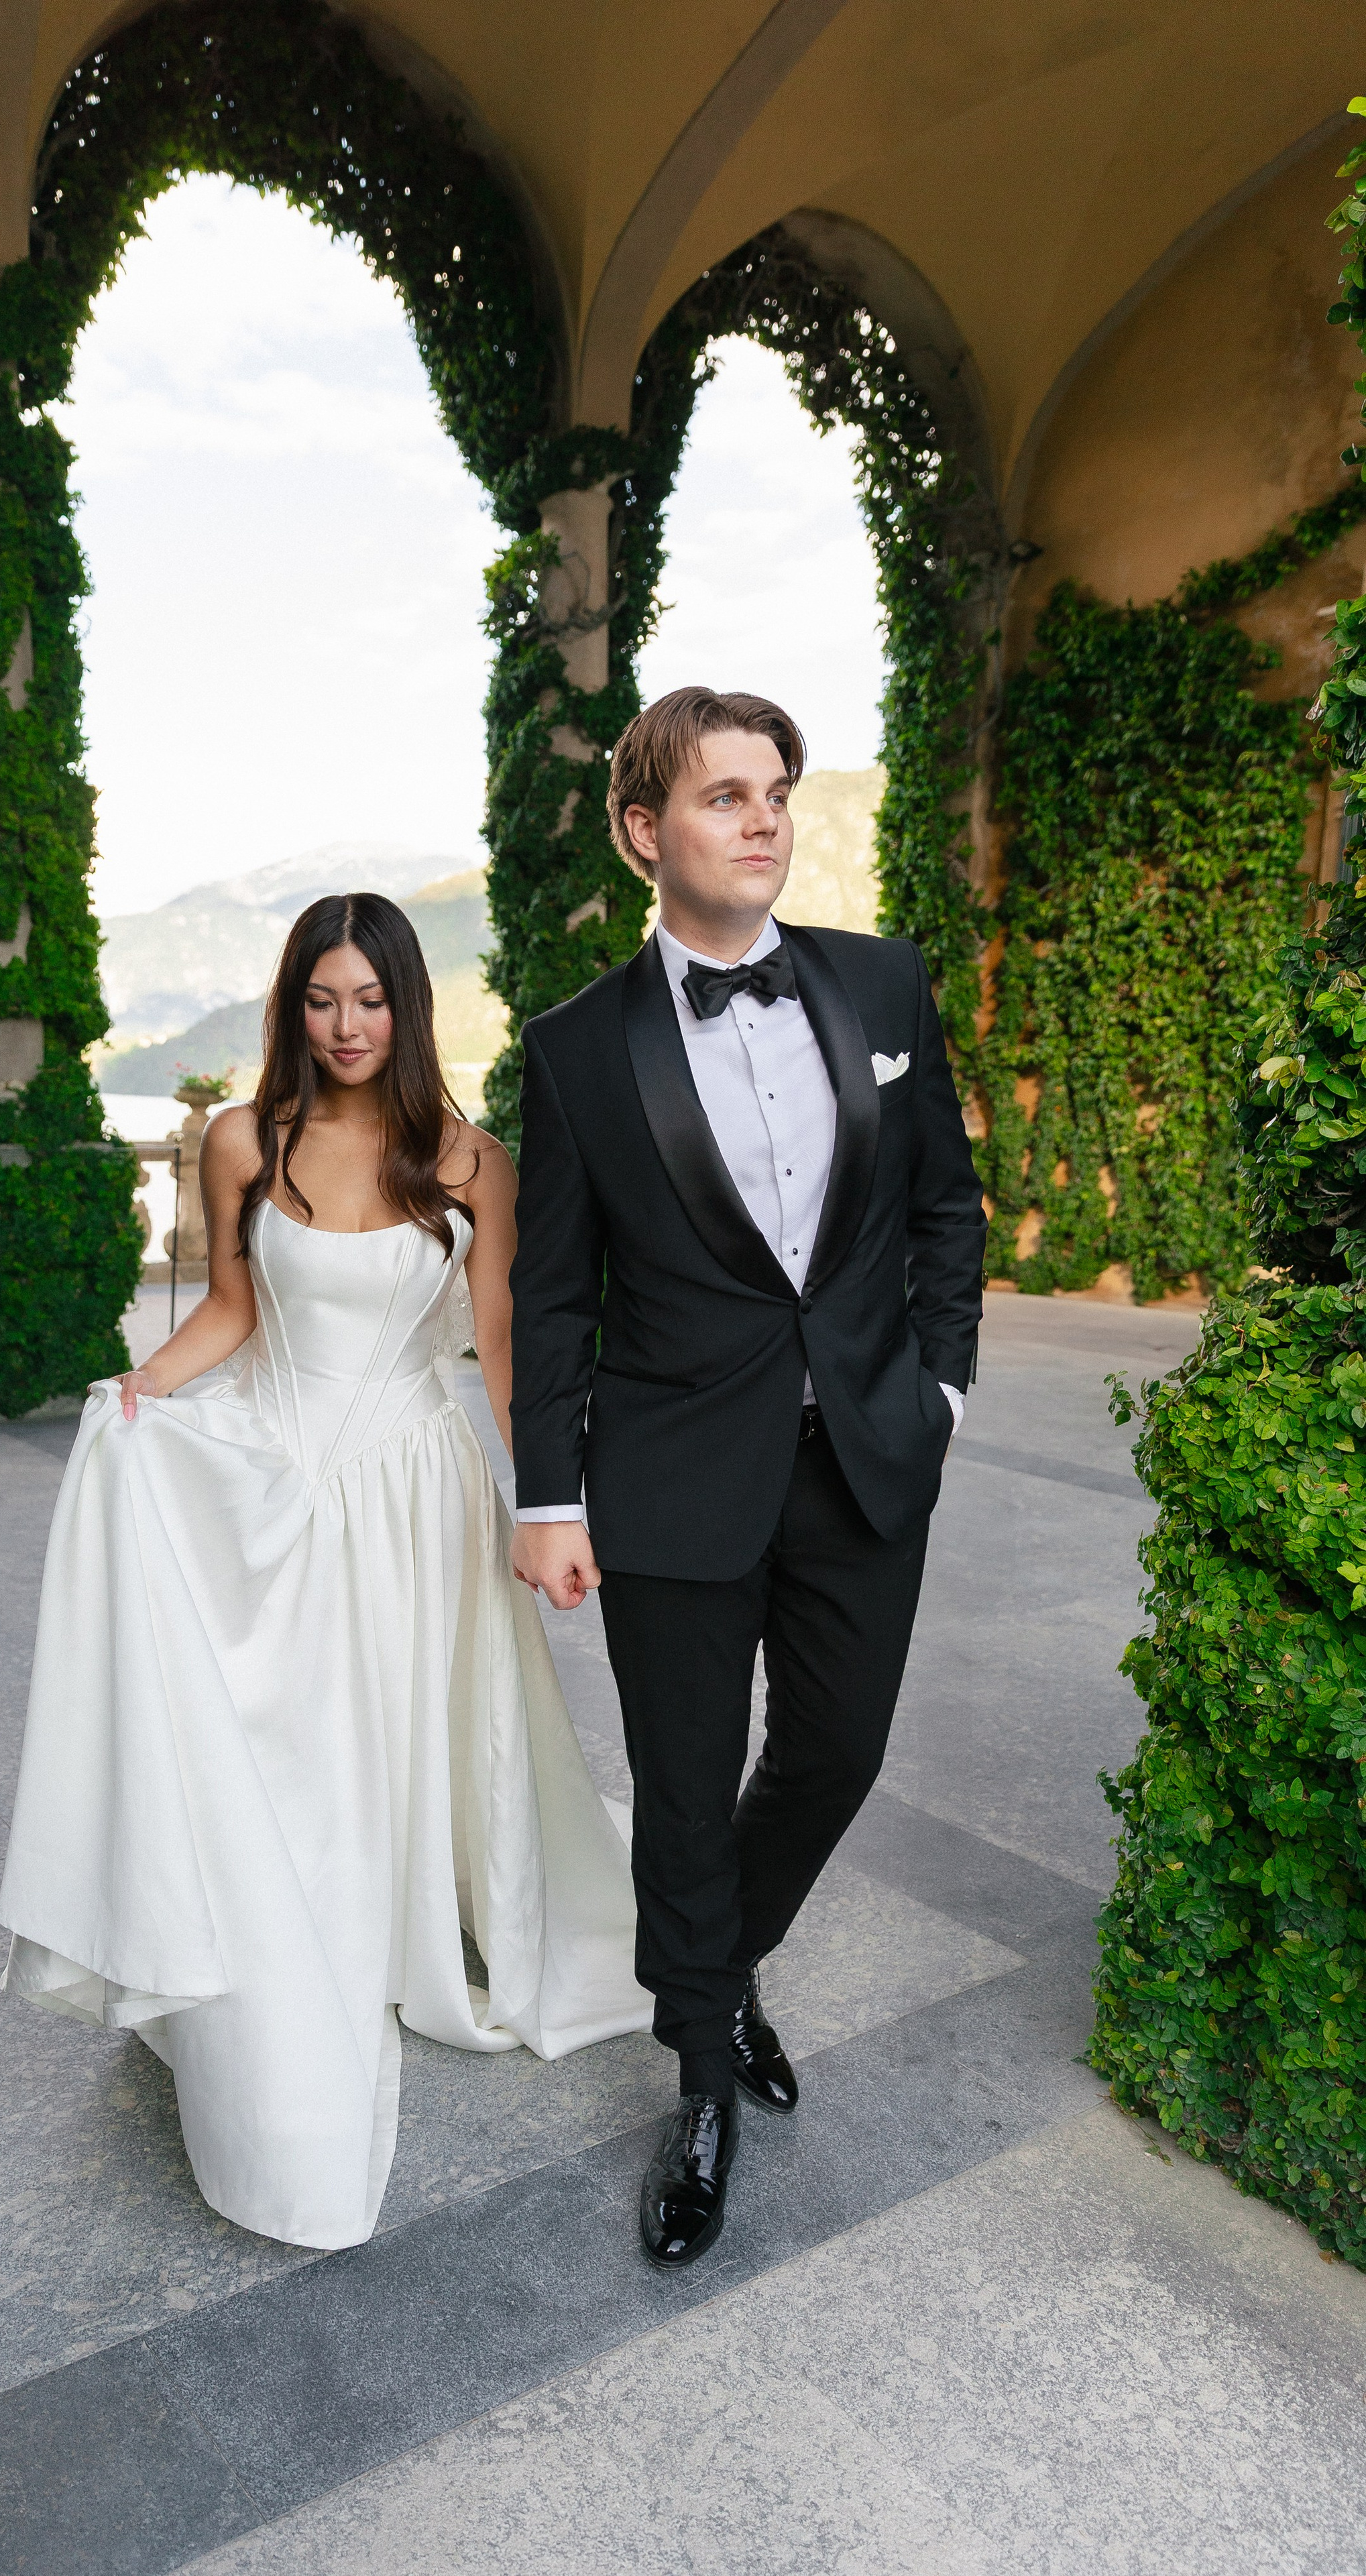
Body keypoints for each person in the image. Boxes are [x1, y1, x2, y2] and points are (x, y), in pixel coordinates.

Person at [0, 892, 650, 2250]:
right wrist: (140, 1390)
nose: (347, 1026)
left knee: (410, 1718)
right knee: (282, 1726)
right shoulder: (243, 1140)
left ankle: (426, 1919)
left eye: (371, 1001)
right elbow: (232, 1311)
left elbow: (506, 1350)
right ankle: (284, 1924)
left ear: (407, 1009)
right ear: (289, 1006)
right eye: (320, 999)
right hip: (280, 1474)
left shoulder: (467, 1160)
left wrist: (549, 1500)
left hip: (418, 1485)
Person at [509, 686, 986, 2267]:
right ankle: (701, 2080)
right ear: (646, 831)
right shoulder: (576, 1050)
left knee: (835, 1752)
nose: (766, 816)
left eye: (775, 789)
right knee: (684, 1788)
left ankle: (714, 1967)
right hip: (665, 1479)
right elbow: (555, 1294)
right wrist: (547, 1494)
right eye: (724, 796)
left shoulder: (879, 982)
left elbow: (942, 1208)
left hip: (862, 1450)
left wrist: (936, 1385)